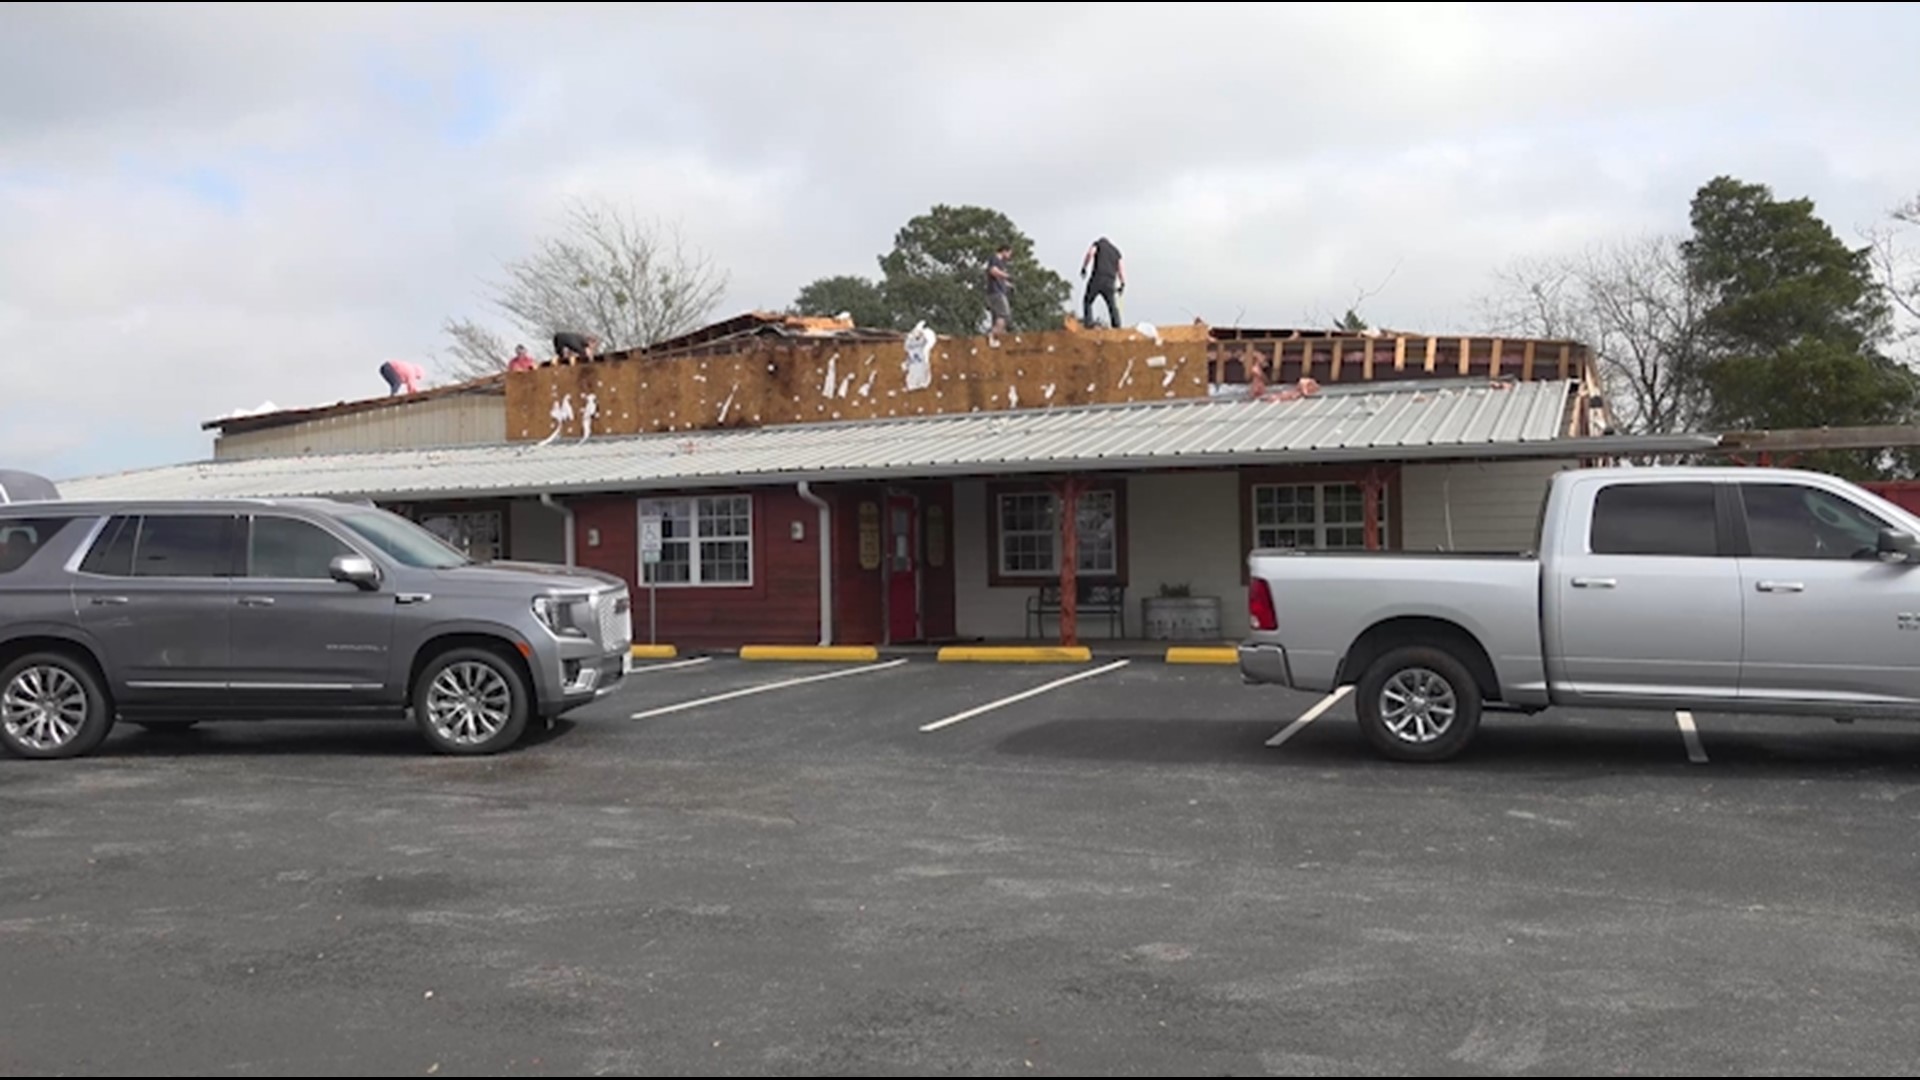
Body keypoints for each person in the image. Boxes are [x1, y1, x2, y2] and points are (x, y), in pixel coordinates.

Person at [1079, 236, 1126, 328]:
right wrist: (1122, 283)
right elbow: (1120, 268)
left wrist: (1084, 267)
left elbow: (1090, 253)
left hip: (1098, 277)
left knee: (1088, 301)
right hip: (1110, 281)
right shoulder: (1116, 252)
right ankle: (1117, 326)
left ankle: (1089, 324)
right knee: (1112, 305)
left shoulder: (1098, 244)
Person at [984, 243, 1014, 337]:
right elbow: (993, 271)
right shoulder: (995, 259)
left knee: (996, 317)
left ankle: (997, 337)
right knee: (1004, 315)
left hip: (995, 292)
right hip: (996, 293)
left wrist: (1008, 284)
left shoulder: (1000, 263)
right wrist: (1007, 276)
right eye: (1009, 253)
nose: (1009, 257)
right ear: (1004, 251)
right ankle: (992, 335)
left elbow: (998, 278)